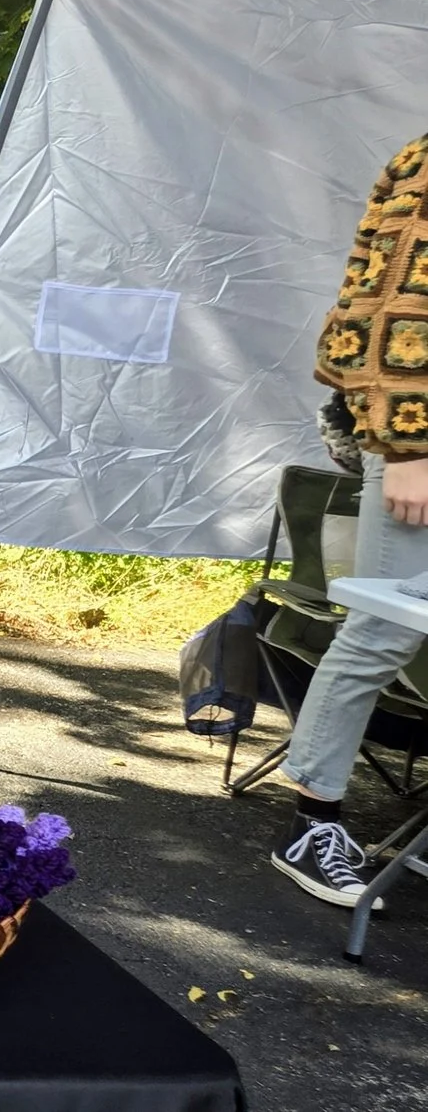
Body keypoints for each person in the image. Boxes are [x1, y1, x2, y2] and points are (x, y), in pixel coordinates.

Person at [272, 133, 428, 909]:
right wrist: (407, 446)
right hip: (417, 439)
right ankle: (314, 819)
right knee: (386, 626)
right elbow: (393, 302)